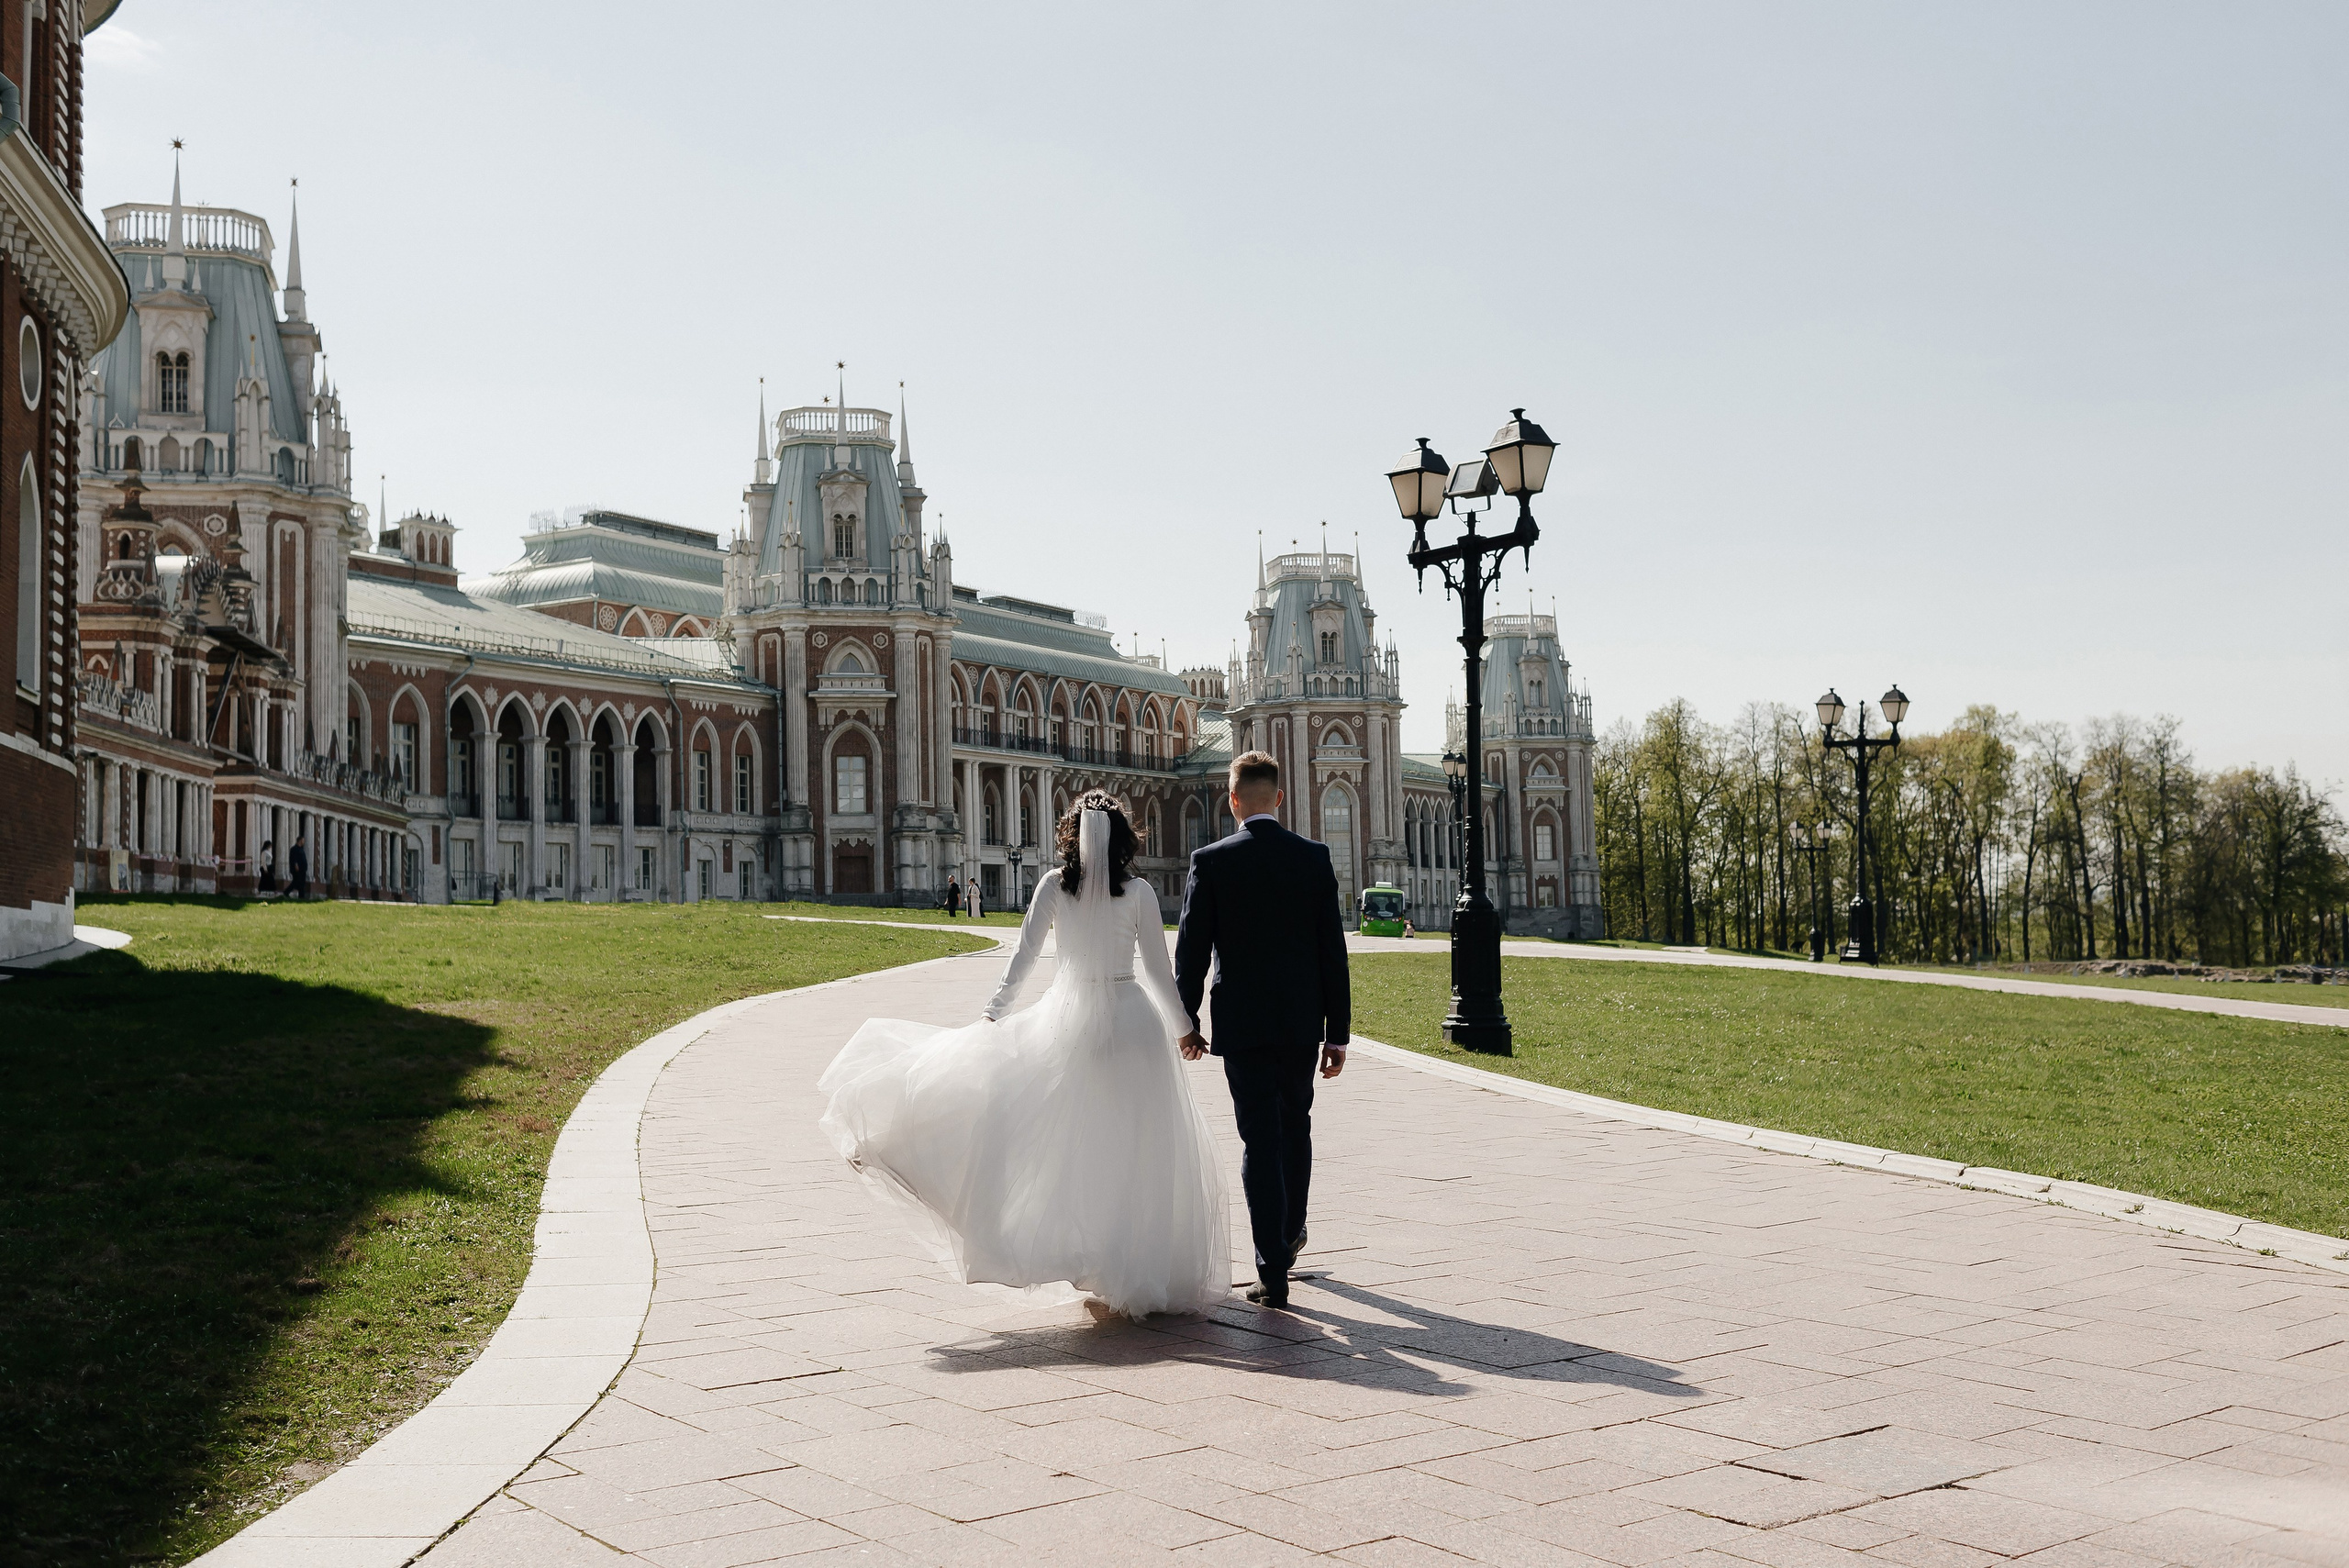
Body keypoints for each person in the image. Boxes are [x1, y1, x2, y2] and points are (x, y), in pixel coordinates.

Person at [818, 792, 1227, 1318]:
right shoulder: (1141, 892)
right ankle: (1129, 1268)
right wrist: (1184, 1029)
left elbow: (1025, 955)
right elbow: (1155, 969)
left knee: (1068, 1146)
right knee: (1134, 1151)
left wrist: (996, 1011)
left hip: (1067, 1020)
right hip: (1133, 1024)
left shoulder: (1054, 887)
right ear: (1122, 838)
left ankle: (1093, 1259)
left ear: (1070, 836)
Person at [1174, 751, 1350, 1310]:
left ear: (1232, 803)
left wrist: (1187, 1021)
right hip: (1301, 1023)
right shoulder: (1314, 858)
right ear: (1279, 798)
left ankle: (1271, 1271)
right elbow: (1332, 953)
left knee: (1258, 1136)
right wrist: (1337, 1033)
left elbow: (1191, 955)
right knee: (1295, 1124)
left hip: (1242, 1023)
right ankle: (1291, 1231)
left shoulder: (1211, 861)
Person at [286, 832, 311, 901]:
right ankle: (286, 892)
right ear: (300, 840)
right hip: (297, 869)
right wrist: (296, 865)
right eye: (303, 840)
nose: (304, 842)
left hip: (302, 869)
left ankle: (301, 897)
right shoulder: (294, 849)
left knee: (301, 883)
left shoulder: (301, 849)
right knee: (296, 882)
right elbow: (294, 858)